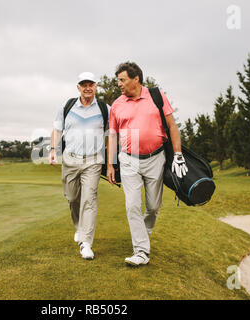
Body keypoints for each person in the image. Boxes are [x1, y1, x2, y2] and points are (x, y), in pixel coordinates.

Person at [106, 62, 188, 266]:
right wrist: (110, 164)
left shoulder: (156, 96)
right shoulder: (117, 104)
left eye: (122, 80)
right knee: (132, 205)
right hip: (128, 160)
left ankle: (142, 234)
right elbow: (113, 136)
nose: (119, 84)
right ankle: (141, 251)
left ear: (136, 79)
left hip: (155, 158)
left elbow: (172, 126)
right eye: (118, 80)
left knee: (153, 207)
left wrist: (178, 155)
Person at [49, 72, 110, 260]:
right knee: (72, 197)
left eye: (90, 84)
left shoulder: (104, 108)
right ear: (78, 87)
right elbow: (57, 129)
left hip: (93, 161)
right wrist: (52, 150)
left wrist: (110, 162)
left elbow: (111, 135)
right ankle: (78, 227)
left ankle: (86, 243)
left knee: (89, 200)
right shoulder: (67, 106)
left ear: (96, 86)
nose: (87, 87)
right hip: (70, 160)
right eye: (83, 84)